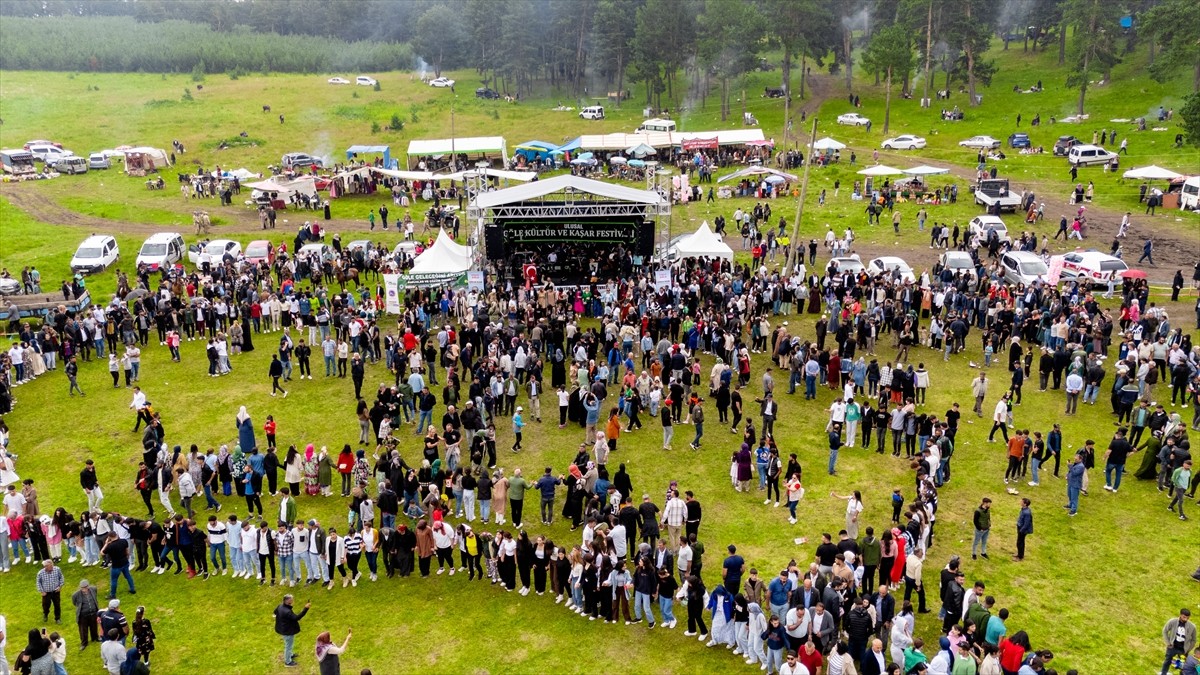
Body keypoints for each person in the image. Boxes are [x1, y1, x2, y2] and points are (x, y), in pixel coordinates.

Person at [273, 594, 310, 668]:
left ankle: (290, 654)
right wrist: (306, 608)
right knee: (288, 646)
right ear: (288, 601)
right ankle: (288, 662)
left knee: (289, 644)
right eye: (292, 600)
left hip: (283, 629)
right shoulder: (287, 612)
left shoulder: (280, 606)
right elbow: (297, 617)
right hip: (287, 631)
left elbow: (274, 613)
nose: (293, 601)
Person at [1163, 610, 1197, 675]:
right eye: (1184, 617)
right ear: (1180, 615)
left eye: (1187, 617)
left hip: (1183, 650)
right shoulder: (1172, 622)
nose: (1186, 619)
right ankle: (1163, 673)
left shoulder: (1192, 626)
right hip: (1172, 647)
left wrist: (1188, 649)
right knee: (1167, 662)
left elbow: (1194, 640)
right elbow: (1165, 631)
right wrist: (1168, 643)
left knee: (1183, 666)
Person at [71, 579, 100, 650]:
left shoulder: (93, 589)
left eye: (85, 587)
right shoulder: (76, 595)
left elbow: (95, 598)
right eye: (82, 588)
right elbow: (75, 603)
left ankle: (95, 638)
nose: (84, 589)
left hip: (93, 613)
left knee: (94, 626)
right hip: (83, 615)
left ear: (88, 586)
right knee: (83, 630)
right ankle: (84, 643)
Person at [36, 558, 65, 624]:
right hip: (46, 593)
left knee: (57, 605)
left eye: (52, 565)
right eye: (50, 566)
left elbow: (61, 578)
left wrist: (60, 586)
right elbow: (38, 583)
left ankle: (57, 618)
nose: (52, 567)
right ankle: (45, 614)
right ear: (45, 567)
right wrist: (42, 591)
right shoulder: (40, 573)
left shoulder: (57, 569)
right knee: (46, 605)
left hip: (56, 591)